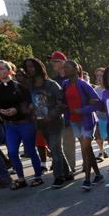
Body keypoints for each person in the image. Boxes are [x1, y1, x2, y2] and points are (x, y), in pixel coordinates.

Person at [0, 60, 44, 189]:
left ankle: (38, 176)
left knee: (31, 151)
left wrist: (17, 110)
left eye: (2, 68)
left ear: (10, 71)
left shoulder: (20, 87)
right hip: (10, 125)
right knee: (12, 152)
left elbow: (32, 104)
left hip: (25, 123)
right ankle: (21, 179)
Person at [23, 57, 69, 188]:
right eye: (27, 67)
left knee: (55, 148)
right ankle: (67, 173)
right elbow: (34, 101)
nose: (29, 69)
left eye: (31, 66)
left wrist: (51, 115)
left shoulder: (51, 84)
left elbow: (62, 104)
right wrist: (31, 107)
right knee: (55, 149)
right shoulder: (30, 85)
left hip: (54, 122)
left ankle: (58, 177)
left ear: (39, 68)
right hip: (40, 123)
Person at [61, 60, 102, 190]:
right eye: (64, 68)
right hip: (74, 122)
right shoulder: (65, 84)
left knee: (85, 149)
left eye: (67, 67)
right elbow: (64, 101)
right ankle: (99, 175)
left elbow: (97, 104)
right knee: (88, 149)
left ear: (75, 69)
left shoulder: (84, 84)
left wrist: (81, 110)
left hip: (87, 121)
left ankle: (87, 180)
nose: (64, 70)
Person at [48, 51, 76, 178]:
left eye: (54, 61)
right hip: (59, 116)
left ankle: (71, 169)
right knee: (59, 144)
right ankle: (66, 169)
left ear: (61, 62)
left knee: (69, 143)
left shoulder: (73, 76)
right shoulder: (53, 80)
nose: (51, 63)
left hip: (74, 114)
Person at [93, 67, 109, 161]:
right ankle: (101, 152)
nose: (99, 77)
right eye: (97, 75)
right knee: (98, 136)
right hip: (98, 117)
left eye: (101, 75)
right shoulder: (95, 89)